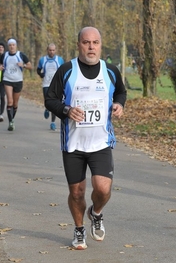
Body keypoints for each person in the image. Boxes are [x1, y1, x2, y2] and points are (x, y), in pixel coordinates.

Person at [45, 26, 127, 250]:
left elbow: (121, 91)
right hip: (73, 143)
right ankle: (79, 229)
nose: (91, 47)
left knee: (103, 189)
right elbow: (50, 99)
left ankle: (96, 212)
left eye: (95, 42)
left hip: (100, 142)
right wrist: (66, 110)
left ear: (100, 45)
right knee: (77, 192)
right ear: (79, 44)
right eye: (86, 42)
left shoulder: (110, 70)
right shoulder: (66, 70)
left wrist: (119, 104)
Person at [0, 38, 32, 131]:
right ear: (8, 46)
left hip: (18, 80)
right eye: (10, 45)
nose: (12, 46)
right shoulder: (5, 55)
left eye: (13, 45)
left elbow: (30, 66)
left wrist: (24, 65)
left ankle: (12, 118)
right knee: (10, 101)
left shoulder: (21, 55)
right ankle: (11, 122)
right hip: (7, 79)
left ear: (16, 46)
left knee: (15, 104)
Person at [36, 43, 64, 130]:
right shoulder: (42, 60)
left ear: (55, 50)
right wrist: (41, 74)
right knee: (47, 101)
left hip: (56, 85)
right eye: (50, 50)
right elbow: (38, 69)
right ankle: (47, 108)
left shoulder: (59, 60)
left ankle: (53, 122)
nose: (51, 52)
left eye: (53, 50)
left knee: (54, 103)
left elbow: (63, 71)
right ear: (47, 50)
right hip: (46, 84)